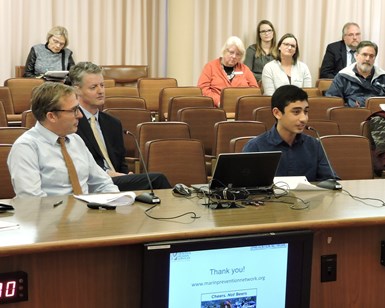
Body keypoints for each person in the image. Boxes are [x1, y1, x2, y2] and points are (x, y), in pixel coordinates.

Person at [68, 61, 171, 191]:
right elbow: (76, 163)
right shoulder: (72, 122)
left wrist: (126, 175)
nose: (100, 91)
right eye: (93, 87)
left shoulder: (112, 123)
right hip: (93, 182)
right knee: (157, 179)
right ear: (77, 89)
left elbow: (121, 161)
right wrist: (107, 174)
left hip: (116, 181)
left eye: (102, 85)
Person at [7, 82, 119, 197]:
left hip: (87, 211)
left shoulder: (76, 140)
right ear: (52, 116)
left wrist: (118, 201)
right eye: (74, 110)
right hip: (51, 213)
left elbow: (102, 183)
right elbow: (32, 199)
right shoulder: (26, 147)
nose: (80, 115)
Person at [242, 85, 336, 182]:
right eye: (296, 112)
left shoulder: (314, 145)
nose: (303, 118)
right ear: (277, 113)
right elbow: (245, 188)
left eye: (306, 111)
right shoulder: (256, 147)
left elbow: (331, 181)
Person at [197, 36, 258, 107]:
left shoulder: (245, 69)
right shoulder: (210, 67)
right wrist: (219, 101)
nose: (234, 56)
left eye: (238, 54)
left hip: (240, 108)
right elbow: (202, 89)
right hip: (216, 109)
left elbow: (255, 90)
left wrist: (243, 102)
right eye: (231, 52)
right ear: (224, 51)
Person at [325, 40, 385, 107]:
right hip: (351, 114)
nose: (368, 59)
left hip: (379, 115)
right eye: (364, 55)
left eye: (371, 56)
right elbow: (333, 102)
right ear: (356, 56)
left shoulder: (382, 77)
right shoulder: (343, 76)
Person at [244, 20, 277, 84]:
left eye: (269, 30)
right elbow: (247, 72)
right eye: (263, 31)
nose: (266, 33)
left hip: (275, 84)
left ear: (273, 33)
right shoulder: (251, 49)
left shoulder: (279, 51)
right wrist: (265, 78)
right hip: (256, 84)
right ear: (259, 35)